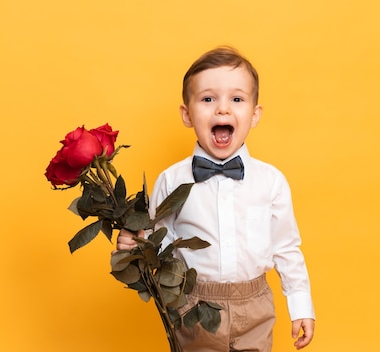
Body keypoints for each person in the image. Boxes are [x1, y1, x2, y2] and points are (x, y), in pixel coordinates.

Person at [116, 46, 315, 351]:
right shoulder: (172, 180)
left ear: (255, 114)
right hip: (192, 305)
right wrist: (136, 241)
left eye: (237, 99)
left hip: (255, 305)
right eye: (208, 99)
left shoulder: (271, 181)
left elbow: (286, 247)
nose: (222, 110)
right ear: (187, 114)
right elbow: (158, 239)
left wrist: (301, 306)